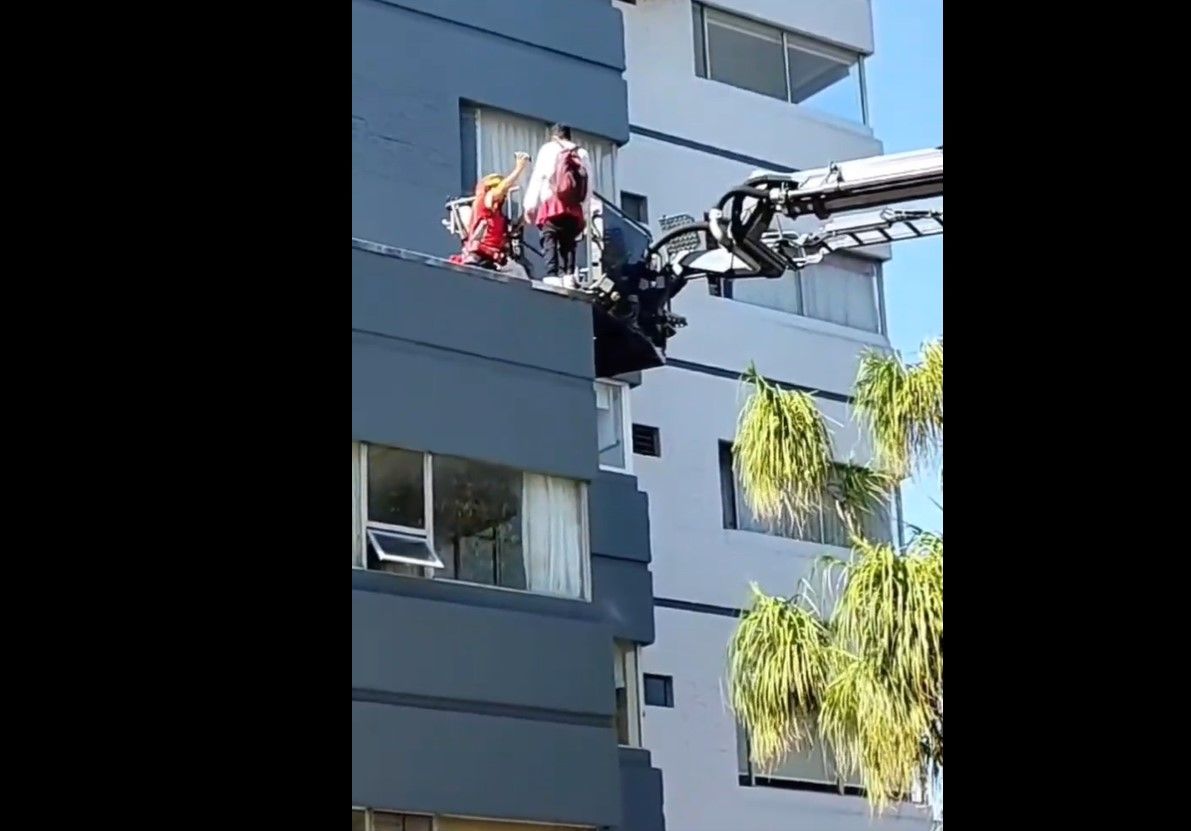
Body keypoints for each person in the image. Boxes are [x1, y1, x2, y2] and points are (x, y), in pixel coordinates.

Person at [524, 124, 591, 286]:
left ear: (554, 136)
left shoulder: (548, 149)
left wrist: (529, 206)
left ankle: (552, 274)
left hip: (552, 203)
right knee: (569, 242)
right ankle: (568, 275)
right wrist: (586, 212)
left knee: (550, 237)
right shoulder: (582, 153)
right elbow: (589, 185)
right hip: (575, 208)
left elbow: (538, 177)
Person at [456, 151, 531, 271]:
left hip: (492, 258)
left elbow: (510, 232)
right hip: (479, 256)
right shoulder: (484, 201)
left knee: (520, 272)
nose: (504, 195)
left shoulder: (498, 214)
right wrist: (519, 168)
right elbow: (500, 189)